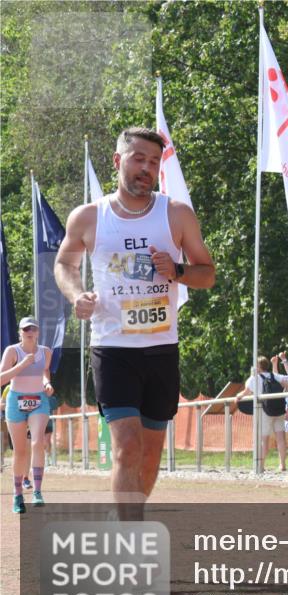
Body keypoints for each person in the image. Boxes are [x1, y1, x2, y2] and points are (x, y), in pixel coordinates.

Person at [55, 127, 215, 519]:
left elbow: (207, 273)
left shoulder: (176, 213)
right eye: (139, 159)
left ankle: (123, 517)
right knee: (126, 446)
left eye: (154, 162)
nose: (147, 168)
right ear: (118, 161)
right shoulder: (89, 216)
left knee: (149, 454)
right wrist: (78, 296)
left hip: (161, 348)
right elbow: (65, 264)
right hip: (113, 348)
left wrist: (177, 270)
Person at [0, 317, 55, 513]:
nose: (30, 331)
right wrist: (22, 365)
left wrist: (47, 383)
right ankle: (17, 495)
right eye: (26, 329)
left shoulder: (46, 352)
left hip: (39, 400)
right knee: (20, 451)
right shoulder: (12, 351)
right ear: (20, 333)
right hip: (16, 401)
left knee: (37, 441)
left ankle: (37, 492)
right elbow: (1, 379)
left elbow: (44, 371)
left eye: (33, 328)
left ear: (38, 332)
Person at [234, 356, 288, 472]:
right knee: (281, 438)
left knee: (263, 440)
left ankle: (260, 465)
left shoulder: (254, 378)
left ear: (258, 367)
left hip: (264, 411)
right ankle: (282, 464)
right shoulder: (274, 376)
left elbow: (245, 393)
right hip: (279, 409)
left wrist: (237, 397)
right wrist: (284, 395)